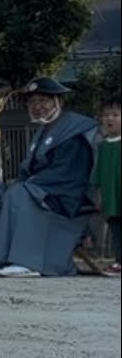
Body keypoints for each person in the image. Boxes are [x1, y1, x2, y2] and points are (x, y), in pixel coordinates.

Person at [0, 77, 98, 278]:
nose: (37, 107)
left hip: (65, 196)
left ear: (58, 101)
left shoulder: (72, 130)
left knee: (18, 194)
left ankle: (26, 262)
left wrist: (26, 184)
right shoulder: (45, 129)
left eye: (43, 101)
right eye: (32, 102)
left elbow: (66, 173)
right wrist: (18, 183)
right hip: (40, 188)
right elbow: (27, 170)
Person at [90, 94, 120, 277]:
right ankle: (119, 261)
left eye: (115, 115)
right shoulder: (103, 146)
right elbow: (99, 173)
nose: (110, 119)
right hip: (111, 197)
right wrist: (100, 196)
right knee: (115, 230)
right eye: (106, 115)